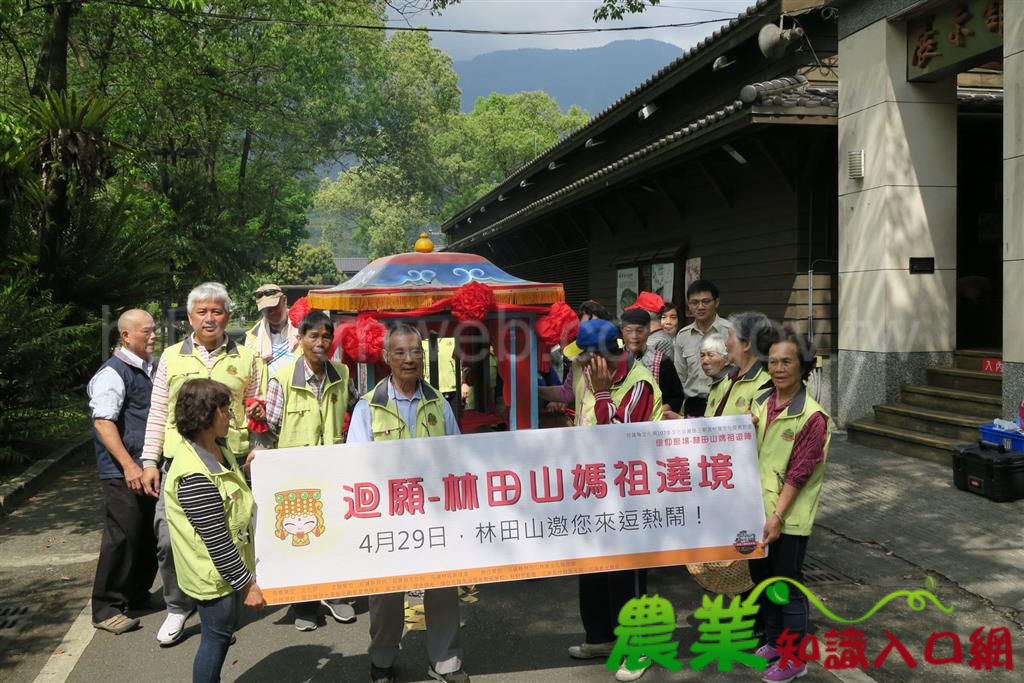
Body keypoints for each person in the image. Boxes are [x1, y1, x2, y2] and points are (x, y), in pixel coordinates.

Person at [140, 282, 264, 646]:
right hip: (181, 460)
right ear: (190, 317)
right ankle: (178, 605)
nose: (210, 318)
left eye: (217, 311)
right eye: (202, 312)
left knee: (236, 533)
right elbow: (158, 410)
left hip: (231, 458)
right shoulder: (171, 356)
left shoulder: (247, 355)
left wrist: (259, 428)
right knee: (167, 538)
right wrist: (149, 460)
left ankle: (226, 604)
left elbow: (257, 405)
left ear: (227, 315)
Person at [347, 323, 468, 683]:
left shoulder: (438, 402)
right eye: (399, 352)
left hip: (435, 512)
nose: (409, 359)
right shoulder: (368, 407)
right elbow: (355, 465)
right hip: (388, 515)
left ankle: (445, 662)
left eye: (415, 351)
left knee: (444, 585)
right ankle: (382, 659)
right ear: (386, 358)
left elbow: (459, 455)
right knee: (385, 593)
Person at [561, 319, 661, 682]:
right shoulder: (591, 377)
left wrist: (603, 395)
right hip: (593, 492)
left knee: (626, 574)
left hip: (629, 499)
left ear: (605, 357)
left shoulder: (638, 385)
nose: (582, 365)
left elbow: (622, 441)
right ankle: (601, 637)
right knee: (591, 570)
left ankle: (639, 647)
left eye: (587, 358)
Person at [163, 379, 265, 683]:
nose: (230, 416)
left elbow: (229, 494)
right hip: (212, 576)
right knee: (216, 638)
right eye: (225, 409)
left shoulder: (216, 449)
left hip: (220, 572)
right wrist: (248, 585)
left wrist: (246, 471)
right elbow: (218, 542)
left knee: (218, 635)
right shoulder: (194, 474)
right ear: (206, 414)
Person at [265, 310, 355, 630]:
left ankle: (336, 595)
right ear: (300, 339)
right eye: (313, 336)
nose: (320, 342)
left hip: (333, 471)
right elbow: (269, 427)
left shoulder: (342, 374)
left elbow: (356, 411)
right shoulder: (282, 378)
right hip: (295, 476)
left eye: (326, 336)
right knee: (301, 539)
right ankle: (304, 606)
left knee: (334, 535)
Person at [749, 329, 829, 683]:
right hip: (755, 510)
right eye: (773, 361)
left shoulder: (812, 416)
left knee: (786, 586)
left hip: (788, 517)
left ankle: (795, 659)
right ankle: (775, 641)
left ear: (803, 366)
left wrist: (778, 516)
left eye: (787, 361)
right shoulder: (761, 402)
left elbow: (799, 472)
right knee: (763, 581)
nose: (778, 368)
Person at [88, 310, 160, 635]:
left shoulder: (148, 368)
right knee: (123, 535)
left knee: (147, 532)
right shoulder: (112, 374)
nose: (154, 336)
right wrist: (129, 465)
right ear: (126, 336)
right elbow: (103, 422)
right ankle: (105, 608)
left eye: (154, 330)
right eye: (147, 332)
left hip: (145, 467)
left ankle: (136, 594)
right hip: (122, 470)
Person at [674, 280, 733, 417]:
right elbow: (680, 376)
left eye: (706, 301)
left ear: (716, 302)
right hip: (692, 405)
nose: (700, 307)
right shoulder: (683, 336)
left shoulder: (731, 331)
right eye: (694, 302)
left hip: (723, 403)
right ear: (689, 305)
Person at [705, 312, 773, 418]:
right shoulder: (727, 378)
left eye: (729, 335)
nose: (725, 343)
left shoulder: (765, 384)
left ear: (746, 344)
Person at [620, 308, 684, 419]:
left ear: (649, 331)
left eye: (640, 331)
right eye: (629, 330)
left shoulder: (662, 361)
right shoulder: (613, 360)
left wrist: (661, 409)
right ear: (622, 331)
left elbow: (676, 397)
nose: (634, 336)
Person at [244, 283, 300, 390]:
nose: (271, 312)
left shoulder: (301, 329)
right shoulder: (252, 338)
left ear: (284, 300)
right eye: (266, 309)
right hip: (268, 398)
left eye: (274, 306)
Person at [625, 291, 673, 361]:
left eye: (638, 310)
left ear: (647, 312)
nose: (635, 314)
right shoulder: (646, 335)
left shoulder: (663, 341)